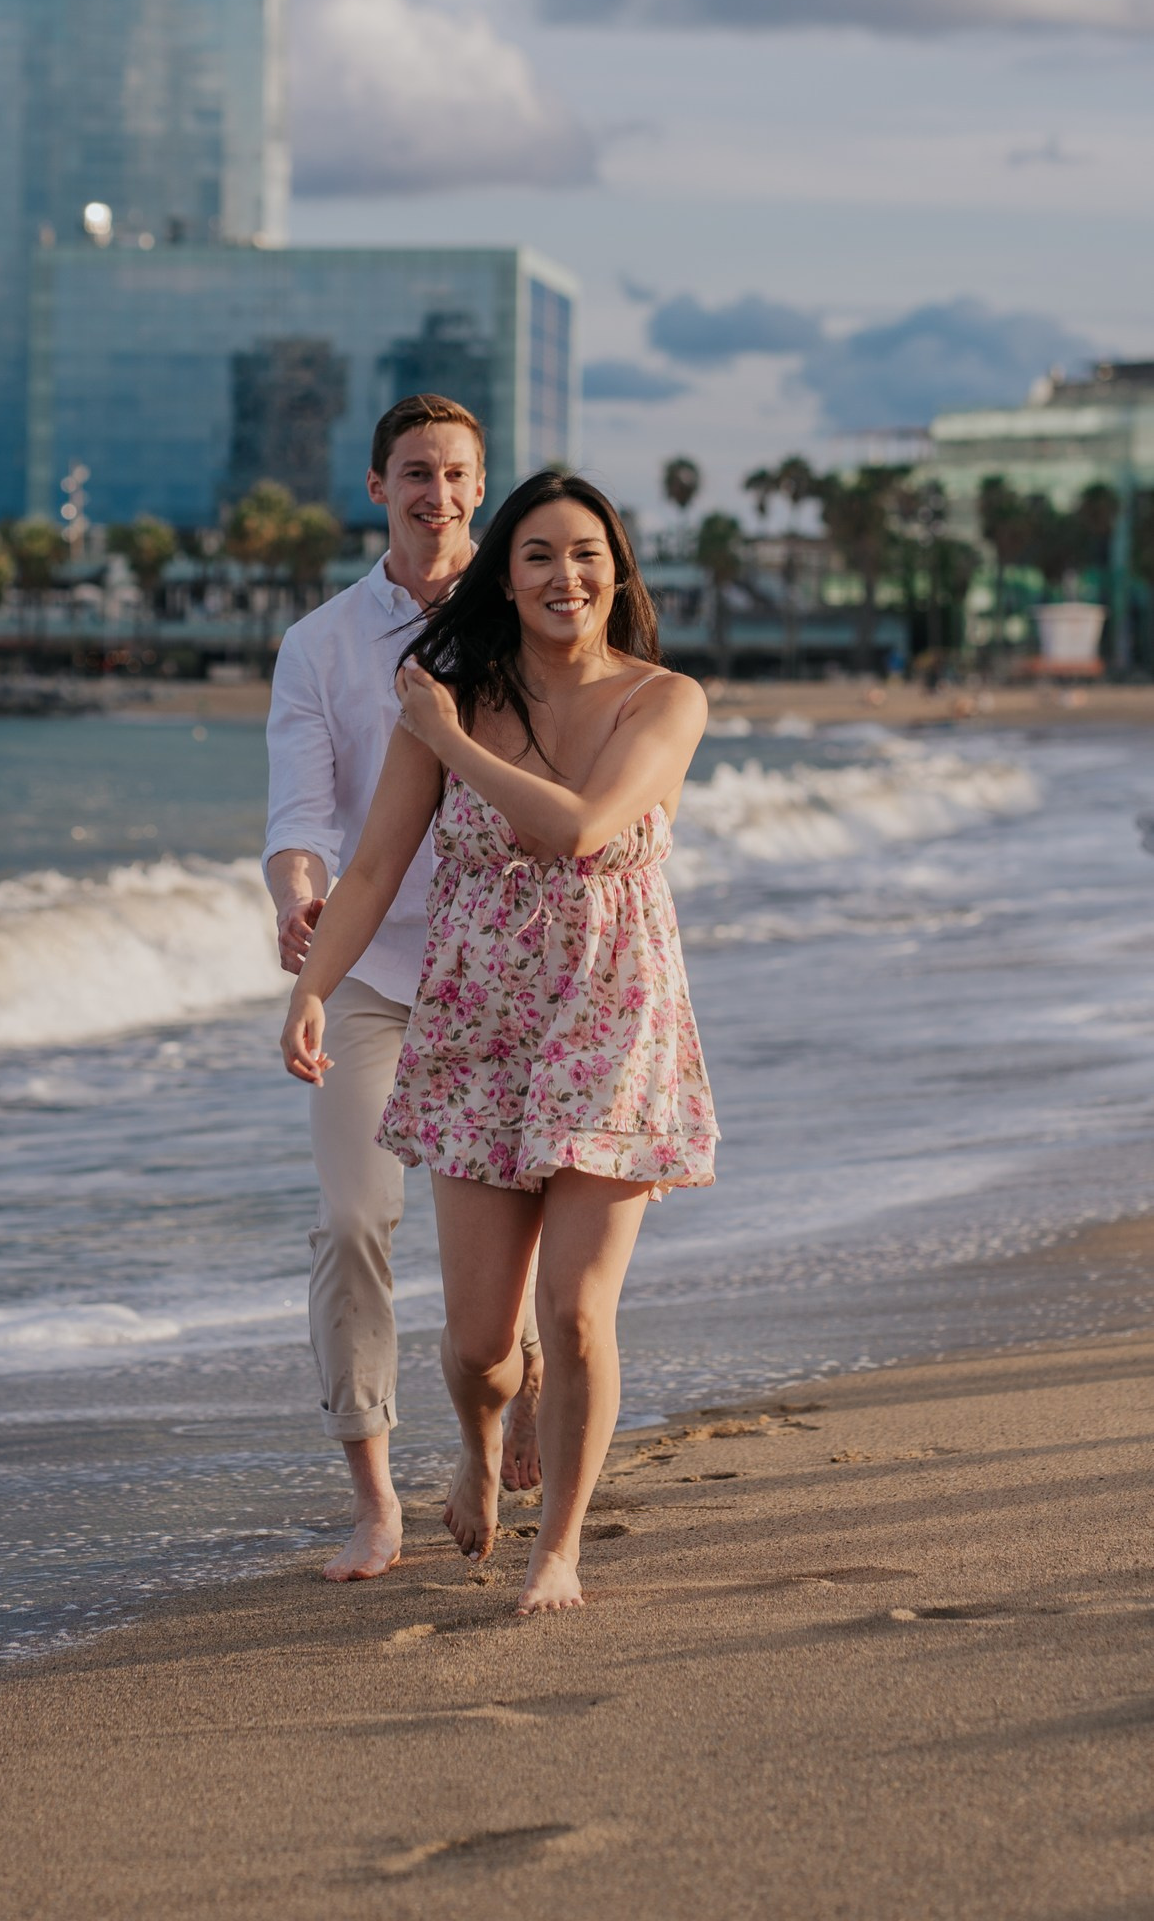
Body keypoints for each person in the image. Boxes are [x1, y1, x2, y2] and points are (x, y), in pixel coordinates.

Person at [280, 470, 717, 1615]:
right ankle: (478, 1450)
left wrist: (442, 736)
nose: (565, 575)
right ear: (505, 577)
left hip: (611, 1020)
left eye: (586, 553)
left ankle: (557, 1548)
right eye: (539, 555)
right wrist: (313, 990)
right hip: (477, 1024)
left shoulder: (664, 700)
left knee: (574, 1311)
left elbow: (582, 829)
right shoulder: (458, 696)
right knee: (482, 1342)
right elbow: (375, 868)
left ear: (616, 571)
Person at [264, 395, 544, 1584]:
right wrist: (298, 898)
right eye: (416, 473)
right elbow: (302, 816)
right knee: (351, 1222)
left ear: (482, 485)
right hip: (372, 965)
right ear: (378, 485)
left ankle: (520, 1380)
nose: (439, 494)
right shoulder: (320, 643)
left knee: (518, 1215)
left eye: (458, 473)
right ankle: (375, 1498)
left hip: (505, 959)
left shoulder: (526, 610)